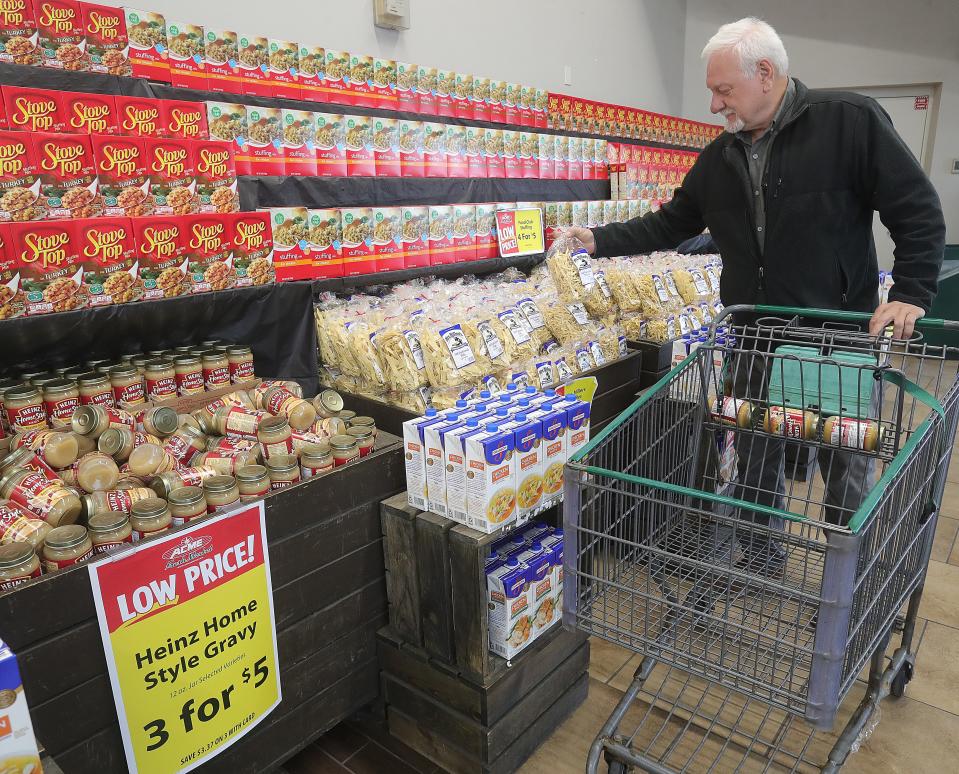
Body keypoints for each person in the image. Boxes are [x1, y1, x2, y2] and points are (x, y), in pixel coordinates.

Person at [569, 17, 946, 575]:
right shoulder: (719, 158)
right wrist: (599, 239)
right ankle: (763, 559)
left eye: (724, 90)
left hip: (833, 334)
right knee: (755, 451)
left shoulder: (850, 122)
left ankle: (848, 577)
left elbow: (916, 208)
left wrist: (912, 290)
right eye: (713, 92)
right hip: (755, 333)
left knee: (846, 458)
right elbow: (671, 222)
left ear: (765, 74)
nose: (716, 105)